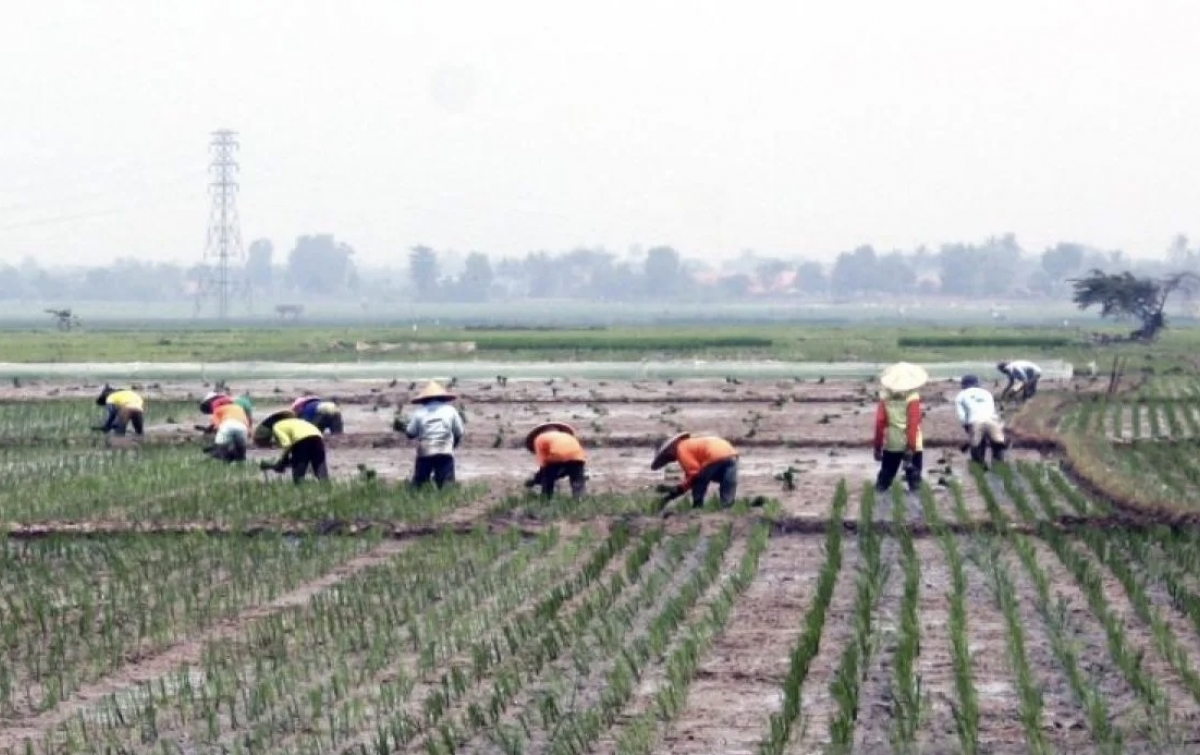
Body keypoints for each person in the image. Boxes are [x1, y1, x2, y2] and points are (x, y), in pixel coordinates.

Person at [873, 362, 926, 493]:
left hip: (892, 443)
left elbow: (879, 423)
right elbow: (912, 424)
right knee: (915, 484)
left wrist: (877, 447)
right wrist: (911, 447)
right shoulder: (913, 398)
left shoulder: (885, 398)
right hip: (913, 443)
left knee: (883, 482)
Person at [651, 432, 739, 509]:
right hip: (730, 453)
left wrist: (675, 493)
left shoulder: (680, 449)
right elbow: (692, 475)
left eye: (667, 454)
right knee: (728, 482)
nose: (669, 458)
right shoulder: (689, 444)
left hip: (713, 455)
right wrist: (680, 489)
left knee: (699, 480)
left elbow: (694, 474)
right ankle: (727, 507)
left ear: (671, 447)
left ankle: (697, 505)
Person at [401, 381, 464, 489]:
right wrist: (452, 446)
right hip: (444, 450)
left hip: (425, 451)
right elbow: (459, 433)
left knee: (419, 483)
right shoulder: (451, 410)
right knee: (446, 483)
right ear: (443, 398)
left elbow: (410, 433)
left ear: (424, 399)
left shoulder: (419, 412)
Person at [254, 409, 329, 483]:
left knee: (299, 473)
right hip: (318, 437)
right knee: (320, 469)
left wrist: (281, 461)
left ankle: (299, 487)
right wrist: (285, 461)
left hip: (302, 441)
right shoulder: (298, 421)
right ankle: (325, 486)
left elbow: (287, 445)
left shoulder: (276, 426)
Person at [523, 422, 586, 499]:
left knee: (547, 478)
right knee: (577, 481)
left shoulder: (539, 439)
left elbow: (543, 466)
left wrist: (535, 479)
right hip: (578, 457)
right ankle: (580, 499)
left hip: (557, 456)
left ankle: (546, 500)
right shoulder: (567, 436)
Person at [954, 375, 1007, 467]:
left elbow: (962, 415)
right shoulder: (987, 393)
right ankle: (999, 467)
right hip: (992, 421)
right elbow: (992, 410)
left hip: (975, 421)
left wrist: (966, 427)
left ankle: (980, 468)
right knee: (997, 445)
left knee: (977, 446)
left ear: (964, 384)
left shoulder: (961, 395)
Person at [197, 392, 251, 462]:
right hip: (242, 428)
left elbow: (218, 426)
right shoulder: (238, 408)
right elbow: (246, 422)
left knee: (221, 451)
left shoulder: (217, 410)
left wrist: (212, 432)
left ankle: (222, 459)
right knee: (241, 455)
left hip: (227, 426)